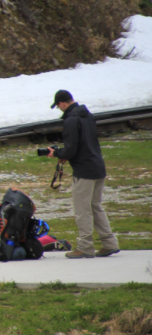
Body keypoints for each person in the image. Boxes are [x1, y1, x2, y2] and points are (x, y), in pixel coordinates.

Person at [47, 90, 120, 259]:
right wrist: (65, 154)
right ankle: (109, 243)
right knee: (96, 207)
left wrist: (57, 154)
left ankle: (85, 247)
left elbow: (71, 149)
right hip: (97, 167)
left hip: (84, 171)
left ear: (63, 103)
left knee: (83, 210)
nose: (59, 109)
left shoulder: (71, 120)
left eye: (58, 106)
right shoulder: (86, 115)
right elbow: (84, 144)